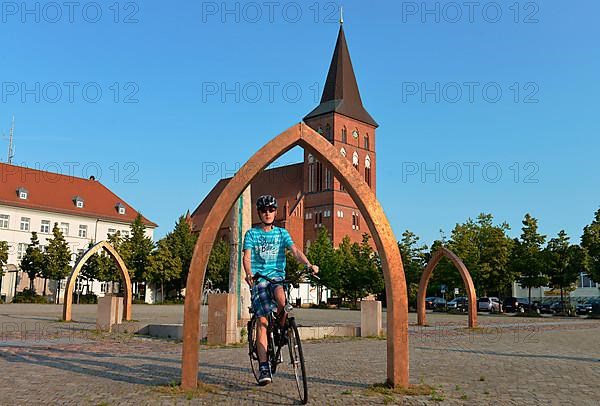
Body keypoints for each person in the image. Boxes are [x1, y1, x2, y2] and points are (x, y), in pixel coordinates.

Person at [243, 194, 318, 386]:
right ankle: (263, 366)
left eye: (271, 210)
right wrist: (249, 273)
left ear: (275, 212)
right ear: (259, 213)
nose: (267, 213)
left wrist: (309, 264)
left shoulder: (282, 233)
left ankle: (281, 332)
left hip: (277, 277)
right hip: (259, 279)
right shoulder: (251, 234)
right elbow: (247, 256)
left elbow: (295, 251)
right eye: (264, 210)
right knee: (262, 320)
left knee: (282, 301)